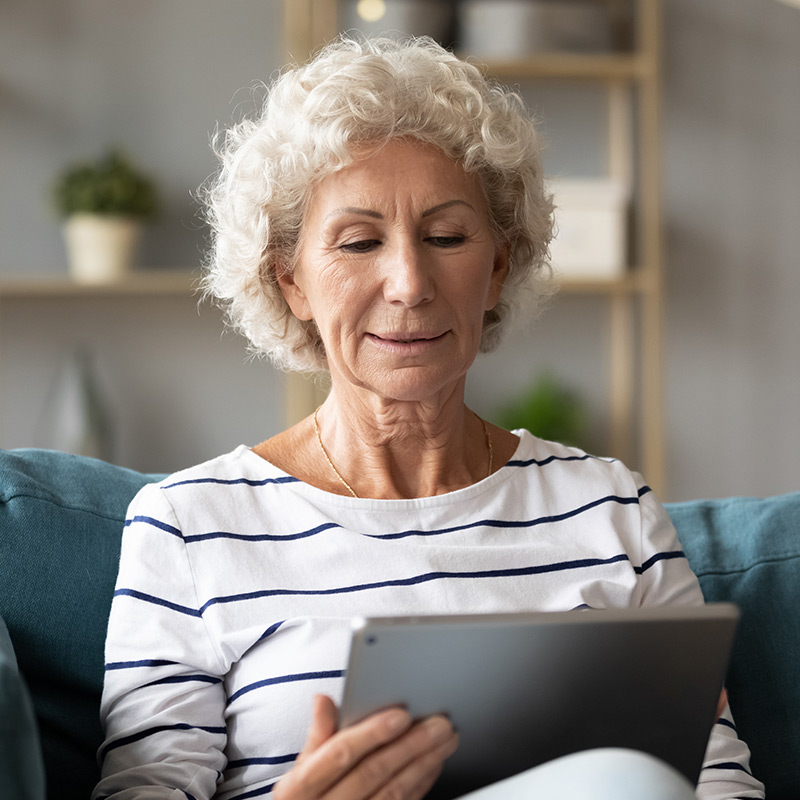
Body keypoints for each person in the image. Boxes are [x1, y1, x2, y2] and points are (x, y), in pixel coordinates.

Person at [93, 37, 764, 800]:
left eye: (447, 237)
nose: (409, 283)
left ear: (498, 268)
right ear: (291, 281)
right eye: (358, 242)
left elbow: (719, 785)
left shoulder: (610, 508)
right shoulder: (187, 526)